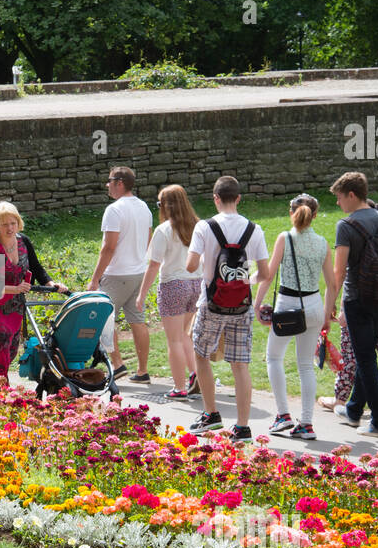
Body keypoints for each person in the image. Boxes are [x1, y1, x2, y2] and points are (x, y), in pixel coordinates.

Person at [184, 176, 270, 441]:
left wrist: (208, 270)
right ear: (239, 198)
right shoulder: (253, 229)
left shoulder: (204, 227)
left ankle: (211, 413)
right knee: (240, 365)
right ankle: (242, 427)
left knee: (201, 355)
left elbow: (190, 265)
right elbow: (264, 273)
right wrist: (245, 279)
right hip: (241, 306)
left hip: (211, 303)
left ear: (215, 198)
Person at [324, 172, 378, 437]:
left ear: (351, 194)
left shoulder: (346, 226)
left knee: (365, 359)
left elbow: (339, 272)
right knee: (366, 353)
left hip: (358, 298)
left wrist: (331, 304)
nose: (338, 204)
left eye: (339, 198)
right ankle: (353, 410)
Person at [253, 194, 334, 440]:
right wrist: (328, 313)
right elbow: (332, 283)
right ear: (315, 215)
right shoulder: (322, 242)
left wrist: (257, 304)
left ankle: (283, 415)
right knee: (305, 365)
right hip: (314, 304)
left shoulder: (285, 238)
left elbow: (268, 275)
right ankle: (306, 423)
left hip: (288, 303)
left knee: (274, 357)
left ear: (291, 212)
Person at [0, 201, 69, 389]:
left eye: (13, 223)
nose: (9, 228)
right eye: (4, 224)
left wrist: (52, 284)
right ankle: (2, 399)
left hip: (15, 306)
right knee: (0, 353)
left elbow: (36, 268)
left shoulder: (23, 241)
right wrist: (15, 289)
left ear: (18, 223)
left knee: (8, 353)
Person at [136, 185, 203, 398]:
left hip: (173, 284)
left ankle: (179, 387)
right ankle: (194, 374)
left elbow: (154, 265)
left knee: (173, 339)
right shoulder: (199, 226)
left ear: (165, 206)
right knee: (184, 335)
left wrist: (141, 294)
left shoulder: (164, 230)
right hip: (196, 284)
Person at [88, 166, 152, 382]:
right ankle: (143, 371)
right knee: (137, 320)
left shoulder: (114, 210)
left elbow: (109, 247)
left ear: (120, 183)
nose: (107, 185)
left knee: (102, 319)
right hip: (139, 272)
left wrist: (95, 278)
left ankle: (118, 365)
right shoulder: (144, 207)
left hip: (117, 274)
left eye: (110, 181)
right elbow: (149, 240)